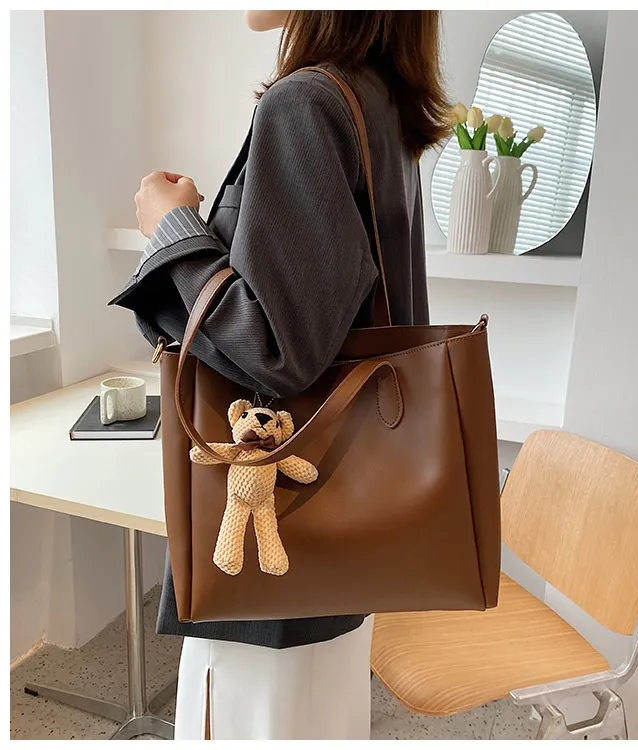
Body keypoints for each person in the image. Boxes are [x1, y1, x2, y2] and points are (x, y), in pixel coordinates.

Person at [110, 9, 450, 741]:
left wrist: (172, 228)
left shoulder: (307, 104)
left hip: (270, 542)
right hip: (340, 524)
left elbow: (275, 348)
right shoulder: (377, 100)